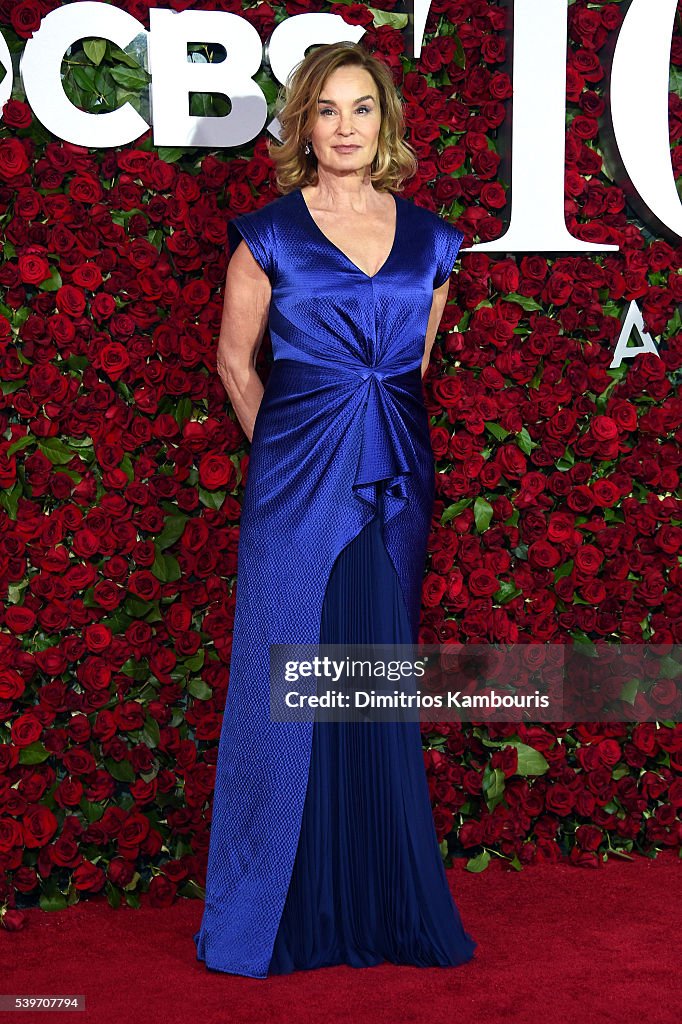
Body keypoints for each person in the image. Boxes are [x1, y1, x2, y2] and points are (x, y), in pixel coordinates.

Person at [193, 40, 477, 979]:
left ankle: (381, 900)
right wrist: (284, 448)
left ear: (384, 122)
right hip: (296, 476)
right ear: (303, 126)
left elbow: (415, 366)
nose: (345, 128)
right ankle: (279, 914)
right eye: (328, 110)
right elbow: (238, 365)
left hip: (394, 472)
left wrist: (366, 434)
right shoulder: (268, 233)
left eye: (362, 109)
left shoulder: (433, 241)